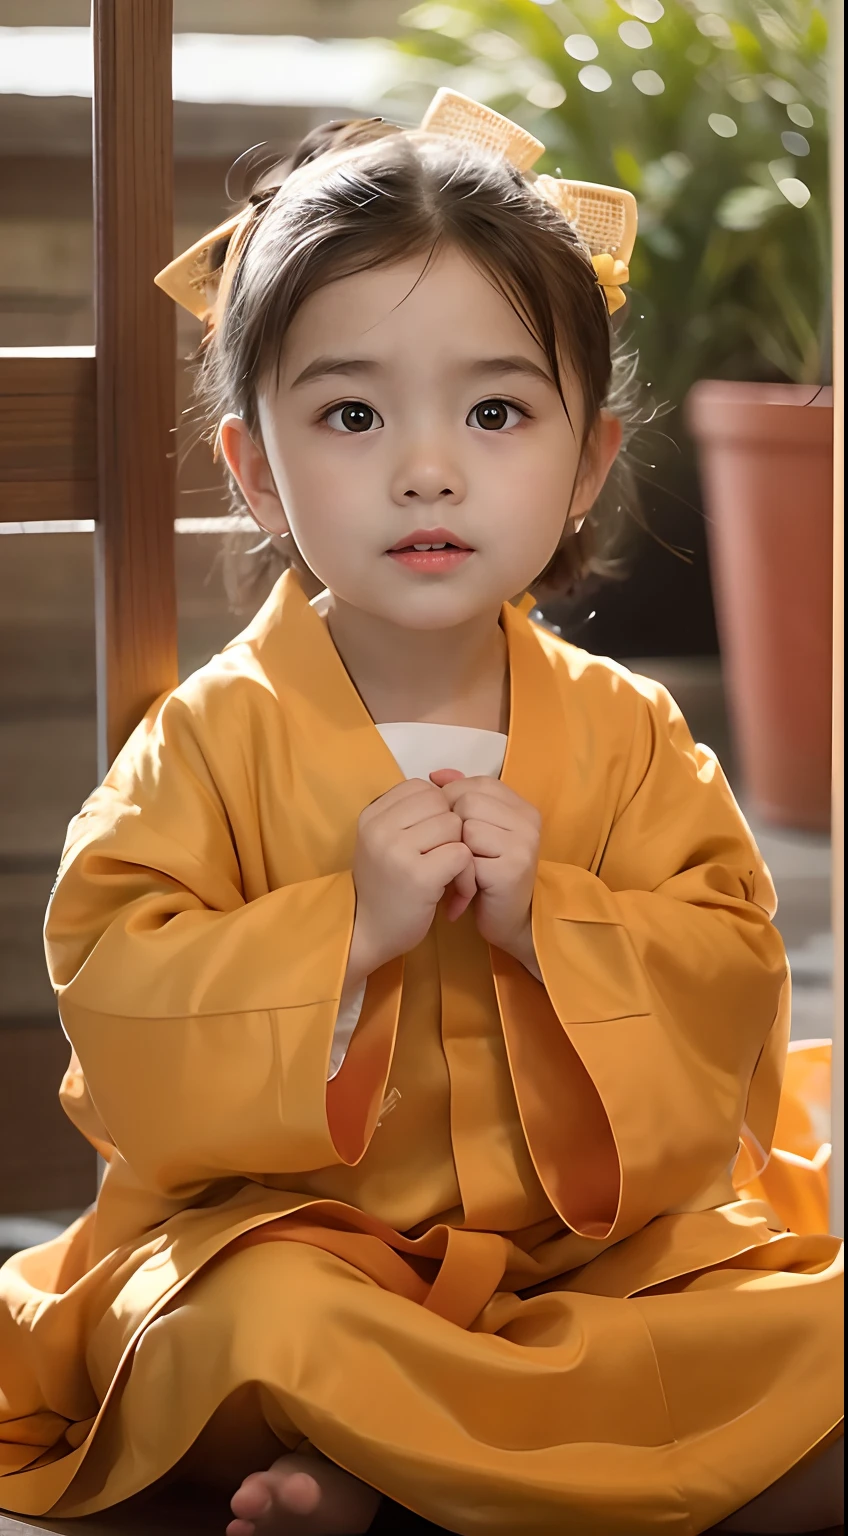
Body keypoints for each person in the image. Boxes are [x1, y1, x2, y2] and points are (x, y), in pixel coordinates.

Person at [0, 89, 841, 1536]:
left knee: (785, 1308)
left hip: (602, 1254)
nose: (427, 466)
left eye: (497, 408)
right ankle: (458, 1458)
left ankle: (388, 1473)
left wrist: (555, 923)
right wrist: (341, 934)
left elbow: (733, 991)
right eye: (352, 412)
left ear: (587, 458)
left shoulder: (629, 737)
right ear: (255, 465)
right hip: (302, 1241)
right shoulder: (210, 740)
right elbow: (117, 995)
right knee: (250, 1325)